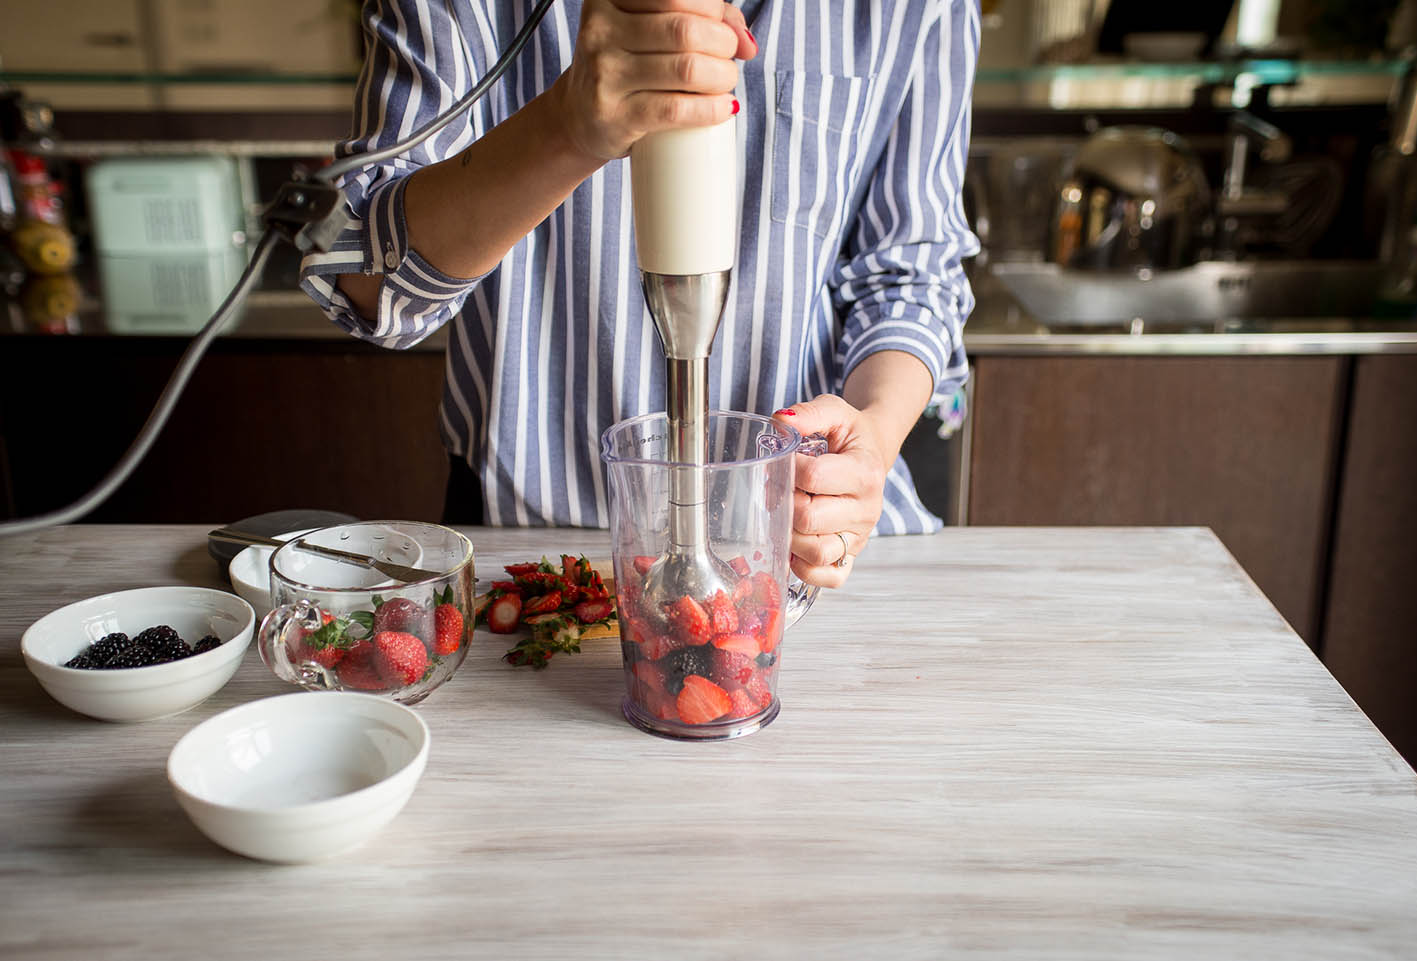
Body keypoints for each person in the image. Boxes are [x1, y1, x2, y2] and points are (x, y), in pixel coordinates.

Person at [300, 0, 980, 588]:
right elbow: (373, 287)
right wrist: (566, 127)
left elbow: (911, 272)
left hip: (808, 559)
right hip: (532, 553)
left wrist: (874, 437)